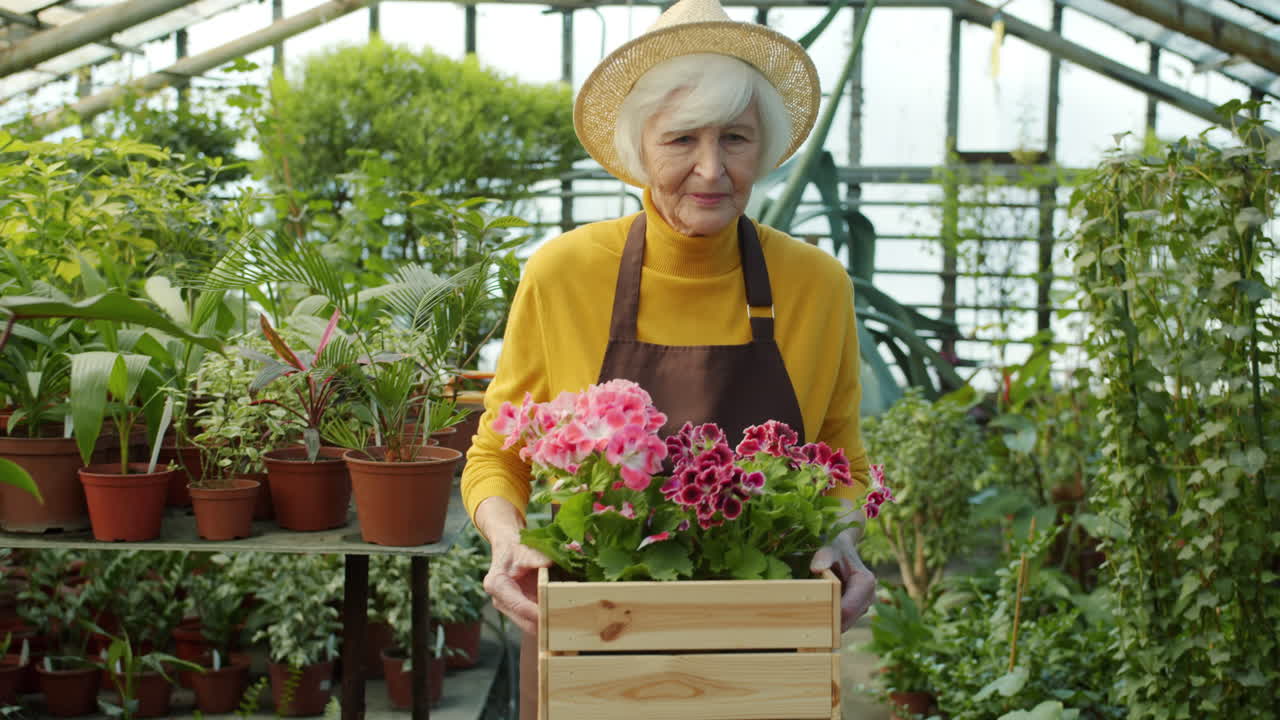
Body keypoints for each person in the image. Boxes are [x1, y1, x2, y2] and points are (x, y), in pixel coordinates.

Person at [459, 0, 875, 715]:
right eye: (682, 139)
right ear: (639, 147)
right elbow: (498, 453)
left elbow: (842, 457)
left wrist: (843, 542)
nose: (711, 170)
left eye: (736, 138)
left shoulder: (816, 284)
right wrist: (505, 542)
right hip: (593, 638)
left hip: (764, 644)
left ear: (764, 148)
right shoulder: (564, 272)